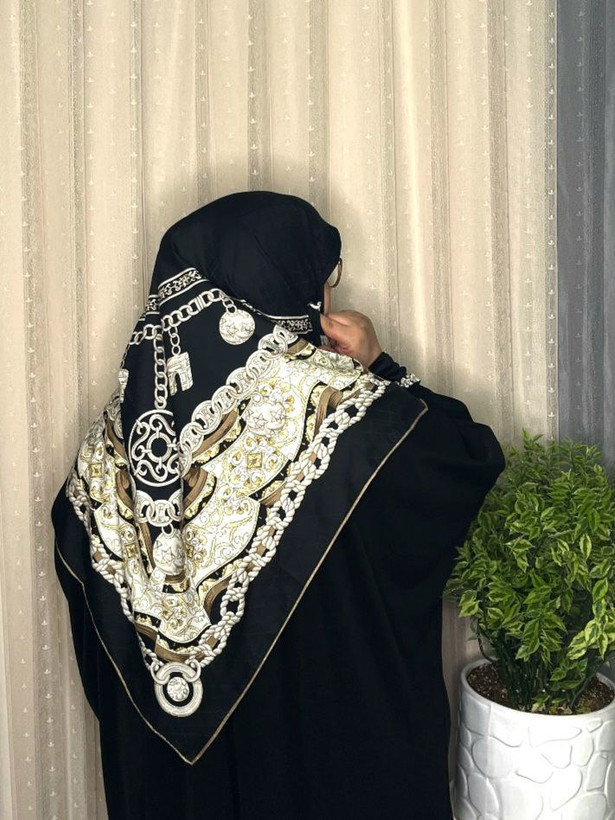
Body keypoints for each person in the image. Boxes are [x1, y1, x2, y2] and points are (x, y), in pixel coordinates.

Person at [52, 191, 505, 820]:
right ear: (291, 288)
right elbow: (468, 460)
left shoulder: (102, 454)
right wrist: (380, 365)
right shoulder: (353, 418)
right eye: (325, 280)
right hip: (333, 776)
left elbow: (98, 637)